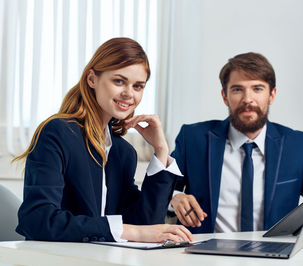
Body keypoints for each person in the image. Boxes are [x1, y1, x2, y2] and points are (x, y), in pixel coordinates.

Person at [14, 37, 193, 243]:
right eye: (119, 81)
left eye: (138, 86)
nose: (128, 94)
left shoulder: (122, 152)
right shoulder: (57, 133)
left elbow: (146, 224)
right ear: (92, 79)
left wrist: (161, 150)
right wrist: (132, 232)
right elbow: (38, 220)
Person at [170, 52, 303, 234]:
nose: (247, 99)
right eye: (237, 89)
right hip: (205, 257)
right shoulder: (194, 139)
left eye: (257, 89)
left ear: (271, 95)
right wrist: (175, 197)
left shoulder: (297, 145)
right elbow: (162, 189)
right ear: (225, 96)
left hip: (272, 257)